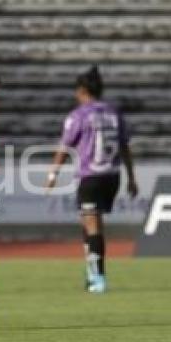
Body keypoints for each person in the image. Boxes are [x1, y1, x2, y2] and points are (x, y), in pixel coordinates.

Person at [46, 66, 137, 294]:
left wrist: (52, 174)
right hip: (112, 177)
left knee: (93, 226)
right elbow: (125, 147)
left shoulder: (79, 115)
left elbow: (64, 147)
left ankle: (98, 278)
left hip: (91, 178)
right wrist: (132, 179)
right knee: (90, 224)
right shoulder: (114, 113)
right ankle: (92, 274)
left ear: (83, 90)